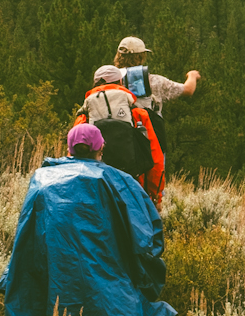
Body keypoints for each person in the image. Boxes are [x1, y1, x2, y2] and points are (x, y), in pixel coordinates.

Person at [0, 122, 175, 316]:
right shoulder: (121, 181)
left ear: (69, 149)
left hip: (56, 283)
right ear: (101, 149)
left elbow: (26, 235)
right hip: (109, 288)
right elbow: (148, 236)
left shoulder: (42, 178)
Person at [85, 35, 200, 206]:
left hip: (111, 144)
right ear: (141, 57)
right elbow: (188, 90)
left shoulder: (108, 80)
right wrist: (192, 75)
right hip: (150, 139)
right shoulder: (154, 81)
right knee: (150, 184)